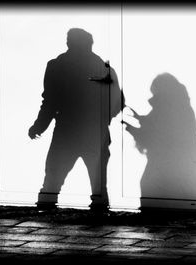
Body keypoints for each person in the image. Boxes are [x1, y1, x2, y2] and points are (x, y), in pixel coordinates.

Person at [28, 28, 122, 211]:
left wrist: (39, 126)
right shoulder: (103, 68)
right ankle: (99, 216)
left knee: (53, 178)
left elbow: (50, 101)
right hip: (96, 131)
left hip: (66, 131)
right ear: (89, 44)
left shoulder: (56, 66)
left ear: (68, 42)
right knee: (98, 184)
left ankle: (44, 212)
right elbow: (116, 101)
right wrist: (103, 119)